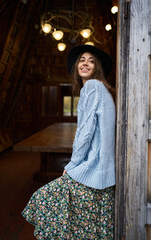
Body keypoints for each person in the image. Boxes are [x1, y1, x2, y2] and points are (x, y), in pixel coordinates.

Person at [22, 44, 116, 239]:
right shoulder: (100, 88)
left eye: (91, 61)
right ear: (76, 66)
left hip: (94, 168)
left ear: (97, 67)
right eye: (82, 60)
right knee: (90, 229)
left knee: (43, 200)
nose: (85, 64)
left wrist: (73, 164)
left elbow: (85, 133)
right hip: (105, 174)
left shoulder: (92, 86)